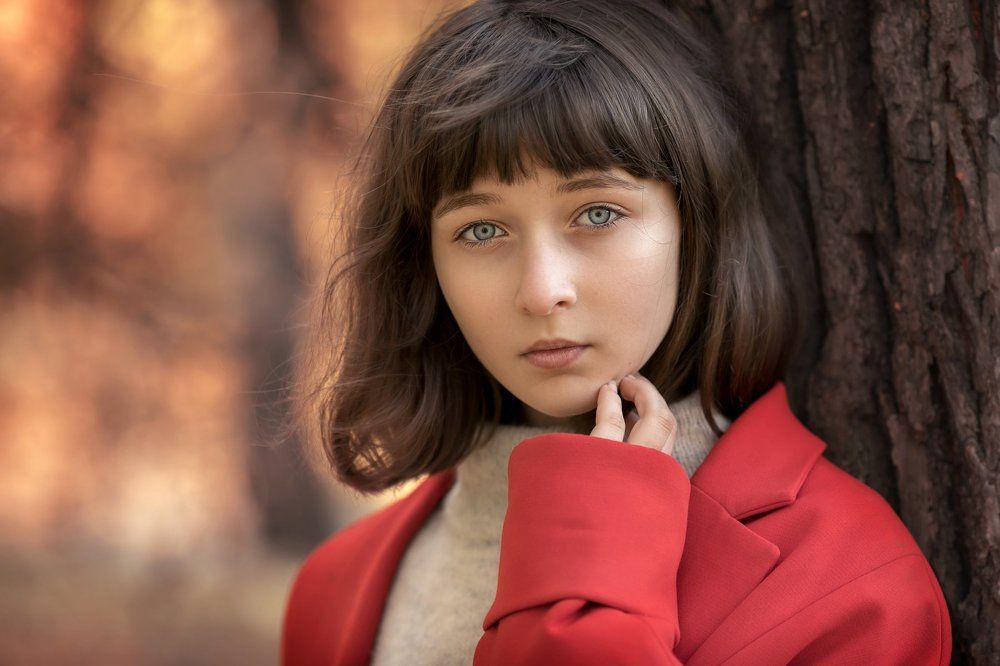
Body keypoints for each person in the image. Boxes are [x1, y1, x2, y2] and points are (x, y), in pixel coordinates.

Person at [280, 0, 952, 663]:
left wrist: (586, 566)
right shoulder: (335, 589)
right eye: (481, 230)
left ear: (698, 222)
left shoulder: (850, 590)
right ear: (425, 263)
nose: (542, 290)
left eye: (597, 213)